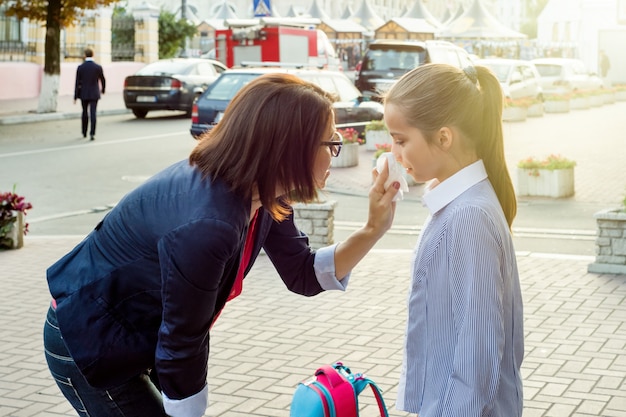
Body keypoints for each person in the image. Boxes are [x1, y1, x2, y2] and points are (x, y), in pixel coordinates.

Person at [44, 73, 400, 417]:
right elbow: (183, 340)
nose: (336, 151)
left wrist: (372, 230)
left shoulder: (262, 193)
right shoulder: (209, 222)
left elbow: (303, 273)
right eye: (331, 142)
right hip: (90, 337)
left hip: (143, 339)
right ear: (290, 148)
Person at [383, 63, 524, 416]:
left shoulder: (468, 215)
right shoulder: (458, 204)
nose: (395, 154)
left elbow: (478, 347)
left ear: (444, 138)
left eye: (401, 140)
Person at [74, 47, 105, 141]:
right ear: (93, 55)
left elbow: (77, 82)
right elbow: (103, 79)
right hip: (94, 93)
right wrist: (103, 90)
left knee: (84, 112)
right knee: (93, 113)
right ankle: (92, 133)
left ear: (85, 55)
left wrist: (75, 96)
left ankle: (84, 132)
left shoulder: (80, 67)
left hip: (83, 93)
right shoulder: (97, 67)